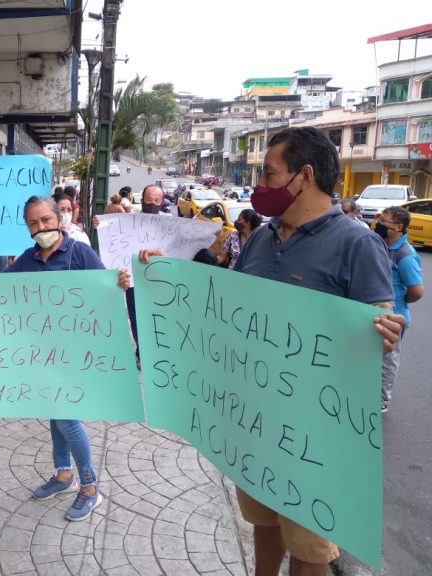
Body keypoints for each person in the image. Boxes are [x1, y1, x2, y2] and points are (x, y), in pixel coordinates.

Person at [134, 126, 403, 576]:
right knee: (262, 517)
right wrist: (163, 274)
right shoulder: (261, 238)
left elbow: (380, 325)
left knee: (309, 542)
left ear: (305, 176)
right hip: (256, 418)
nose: (260, 185)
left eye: (268, 173)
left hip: (314, 431)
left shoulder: (357, 244)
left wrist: (385, 330)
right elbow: (225, 305)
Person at [2, 196, 107, 521]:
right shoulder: (27, 259)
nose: (41, 228)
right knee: (53, 412)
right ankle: (64, 475)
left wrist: (120, 283)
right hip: (42, 352)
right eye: (33, 223)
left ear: (59, 217)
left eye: (46, 220)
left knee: (66, 418)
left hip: (75, 353)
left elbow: (105, 289)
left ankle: (90, 487)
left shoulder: (78, 252)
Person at [375, 206, 423, 413]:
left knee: (388, 360)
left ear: (398, 227)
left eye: (383, 221)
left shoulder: (405, 254)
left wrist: (398, 301)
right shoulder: (382, 244)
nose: (378, 223)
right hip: (377, 312)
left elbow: (417, 291)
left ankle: (381, 400)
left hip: (395, 317)